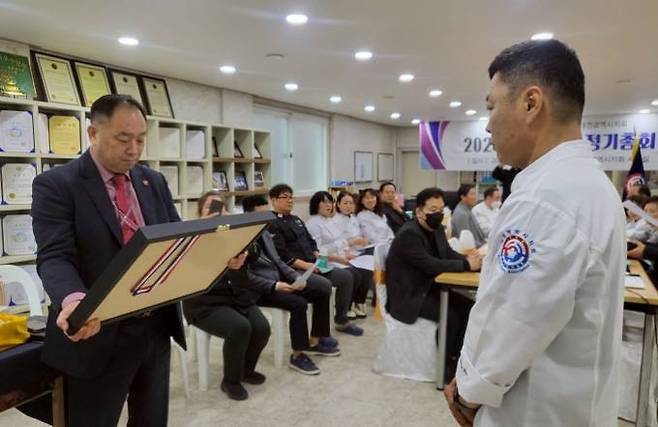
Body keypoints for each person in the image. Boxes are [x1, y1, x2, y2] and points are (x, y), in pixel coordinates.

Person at [445, 40, 625, 427]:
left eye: (491, 106)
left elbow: (511, 320)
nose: (488, 123)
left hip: (533, 411)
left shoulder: (545, 197)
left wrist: (468, 390)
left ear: (531, 103)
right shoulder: (589, 185)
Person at [31, 94, 186, 426]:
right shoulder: (57, 185)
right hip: (96, 333)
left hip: (154, 325)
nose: (133, 149)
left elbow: (176, 241)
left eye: (141, 139)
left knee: (151, 419)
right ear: (92, 133)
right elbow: (54, 256)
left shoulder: (152, 181)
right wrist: (74, 301)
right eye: (122, 138)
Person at [385, 187, 481, 380]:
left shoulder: (437, 228)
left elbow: (446, 254)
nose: (437, 214)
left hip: (428, 287)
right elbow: (430, 265)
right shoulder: (409, 234)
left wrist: (472, 262)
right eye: (432, 209)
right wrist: (465, 264)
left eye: (441, 209)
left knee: (470, 307)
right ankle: (445, 368)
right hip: (409, 295)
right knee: (451, 316)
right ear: (419, 211)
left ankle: (458, 359)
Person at [241, 195, 340, 376]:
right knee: (298, 303)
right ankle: (298, 355)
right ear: (248, 215)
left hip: (285, 275)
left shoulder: (269, 229)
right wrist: (277, 285)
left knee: (322, 290)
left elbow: (278, 261)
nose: (265, 220)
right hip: (262, 288)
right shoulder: (242, 238)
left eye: (266, 216)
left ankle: (315, 341)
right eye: (260, 216)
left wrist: (295, 278)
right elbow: (248, 276)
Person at [267, 184, 363, 336]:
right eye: (285, 197)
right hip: (295, 270)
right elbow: (282, 255)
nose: (290, 200)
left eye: (291, 197)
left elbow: (312, 245)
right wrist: (308, 266)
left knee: (346, 276)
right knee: (324, 286)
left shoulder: (296, 219)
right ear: (273, 200)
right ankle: (320, 335)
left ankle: (341, 320)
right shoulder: (271, 223)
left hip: (313, 264)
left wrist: (320, 261)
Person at [306, 191, 373, 319]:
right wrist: (341, 255)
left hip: (337, 258)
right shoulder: (313, 223)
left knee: (362, 272)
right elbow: (319, 250)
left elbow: (340, 242)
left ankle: (351, 306)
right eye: (324, 202)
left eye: (330, 202)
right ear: (316, 204)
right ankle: (343, 311)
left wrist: (345, 254)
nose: (329, 205)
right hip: (322, 262)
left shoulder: (328, 221)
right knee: (352, 274)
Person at [333, 191, 373, 317]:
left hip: (356, 252)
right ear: (338, 204)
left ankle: (358, 302)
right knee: (357, 273)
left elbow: (360, 236)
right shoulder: (334, 221)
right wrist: (351, 244)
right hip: (340, 256)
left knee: (368, 270)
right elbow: (335, 243)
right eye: (345, 203)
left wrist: (364, 240)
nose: (348, 206)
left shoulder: (353, 218)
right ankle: (347, 305)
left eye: (351, 203)